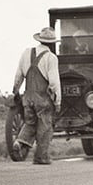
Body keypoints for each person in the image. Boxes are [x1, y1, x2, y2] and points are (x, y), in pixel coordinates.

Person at [10, 26, 62, 165]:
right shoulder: (51, 58)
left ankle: (19, 143)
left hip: (28, 96)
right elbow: (54, 82)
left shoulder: (26, 53)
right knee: (45, 126)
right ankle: (41, 157)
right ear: (52, 43)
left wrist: (15, 91)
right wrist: (57, 102)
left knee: (30, 123)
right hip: (42, 98)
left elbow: (18, 75)